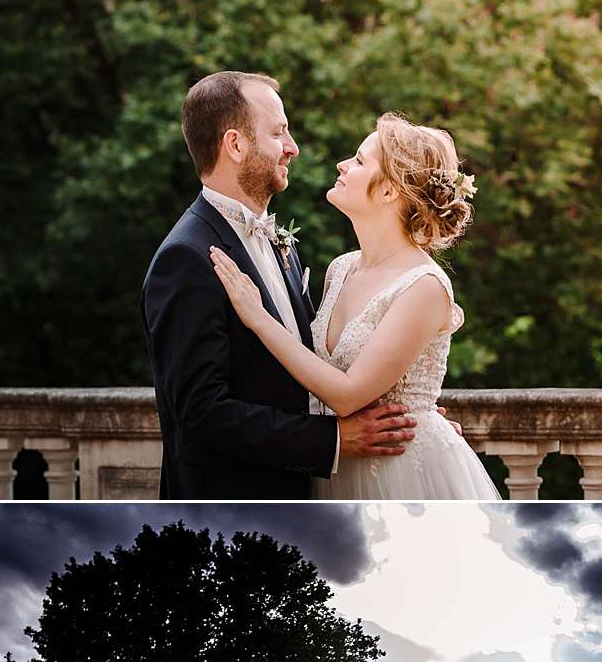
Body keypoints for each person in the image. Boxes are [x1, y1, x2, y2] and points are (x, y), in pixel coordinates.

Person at [141, 70, 414, 498]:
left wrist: (412, 416)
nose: (293, 148)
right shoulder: (186, 258)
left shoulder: (278, 241)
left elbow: (309, 364)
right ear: (236, 144)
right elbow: (201, 414)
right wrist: (334, 440)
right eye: (279, 133)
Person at [209, 111, 500, 499]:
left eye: (360, 161)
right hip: (335, 468)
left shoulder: (425, 286)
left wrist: (259, 317)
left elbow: (347, 393)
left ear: (388, 191)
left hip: (402, 474)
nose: (342, 165)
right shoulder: (341, 269)